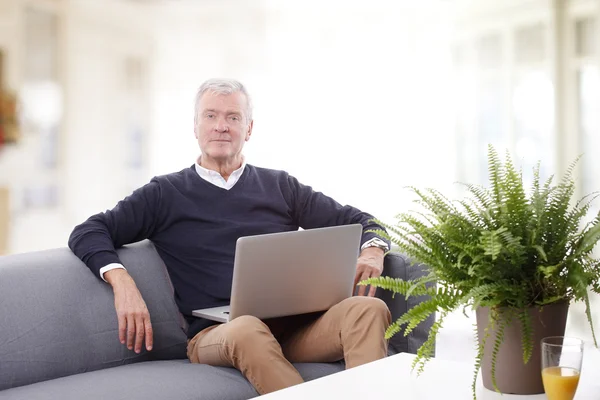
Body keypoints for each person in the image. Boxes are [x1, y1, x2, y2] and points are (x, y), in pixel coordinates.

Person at [68, 78, 392, 395]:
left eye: (233, 117)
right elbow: (90, 231)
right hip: (218, 335)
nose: (221, 126)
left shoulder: (280, 186)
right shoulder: (165, 193)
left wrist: (373, 250)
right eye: (210, 116)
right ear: (195, 127)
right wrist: (122, 281)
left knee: (367, 308)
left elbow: (363, 221)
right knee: (247, 328)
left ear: (248, 129)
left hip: (294, 330)